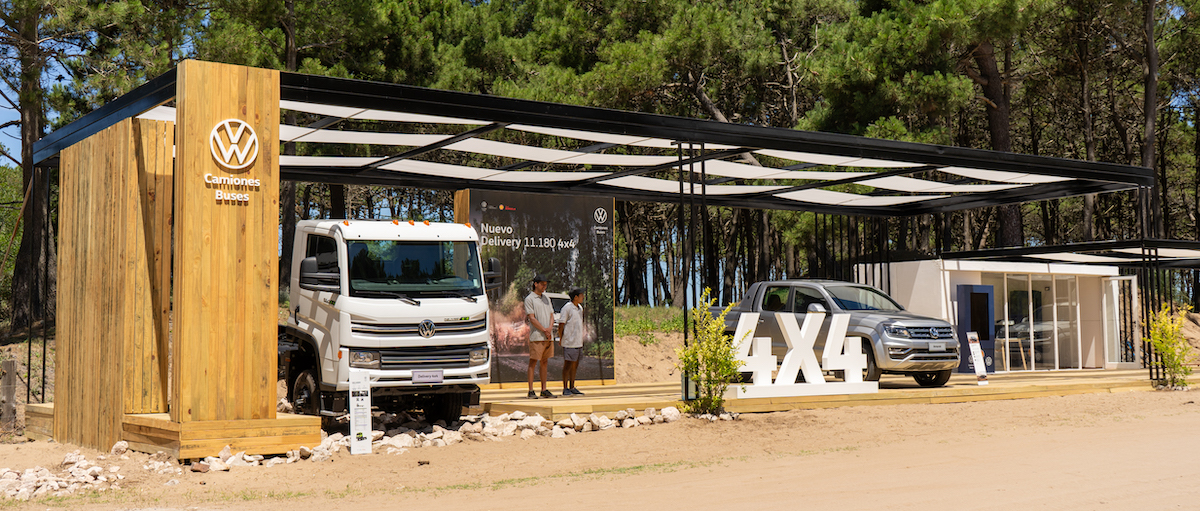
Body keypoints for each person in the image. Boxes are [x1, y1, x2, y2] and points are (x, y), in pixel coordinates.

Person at [524, 274, 556, 399]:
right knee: (533, 362)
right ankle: (531, 390)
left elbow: (551, 315)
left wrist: (549, 329)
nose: (544, 286)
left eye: (545, 284)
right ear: (535, 284)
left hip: (548, 336)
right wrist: (544, 329)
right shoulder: (530, 299)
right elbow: (531, 318)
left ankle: (544, 389)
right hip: (537, 335)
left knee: (545, 362)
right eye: (542, 283)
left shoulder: (546, 298)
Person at [556, 288, 586, 396]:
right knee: (568, 365)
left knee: (575, 365)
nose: (583, 297)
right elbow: (561, 324)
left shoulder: (580, 308)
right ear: (576, 297)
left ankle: (572, 386)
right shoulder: (567, 308)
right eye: (581, 295)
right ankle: (565, 388)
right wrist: (561, 338)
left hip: (578, 341)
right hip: (569, 341)